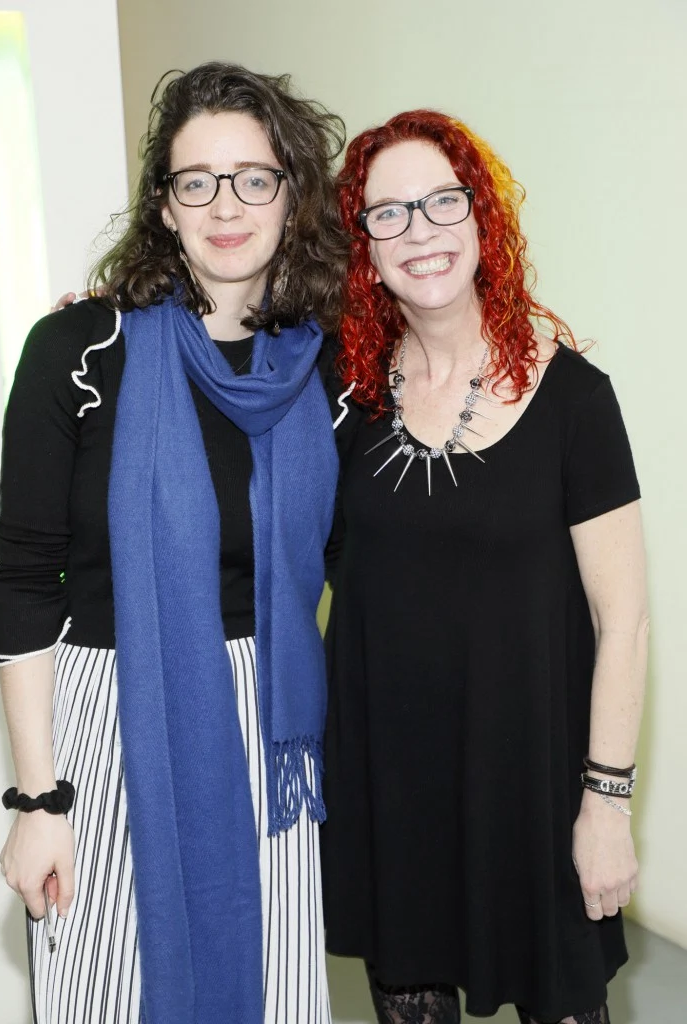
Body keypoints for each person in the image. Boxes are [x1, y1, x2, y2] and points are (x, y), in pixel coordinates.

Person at [0, 61, 348, 1024]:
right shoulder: (79, 350)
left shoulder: (323, 369)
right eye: (198, 181)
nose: (226, 205)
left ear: (292, 195)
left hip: (271, 740)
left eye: (254, 178)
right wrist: (39, 803)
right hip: (111, 734)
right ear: (164, 205)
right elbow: (23, 582)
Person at [321, 110, 647, 1024]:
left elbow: (623, 622)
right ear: (364, 247)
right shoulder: (341, 394)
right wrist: (113, 314)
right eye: (388, 213)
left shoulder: (575, 399)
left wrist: (606, 806)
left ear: (481, 216)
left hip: (533, 790)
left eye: (442, 201)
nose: (419, 230)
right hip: (393, 789)